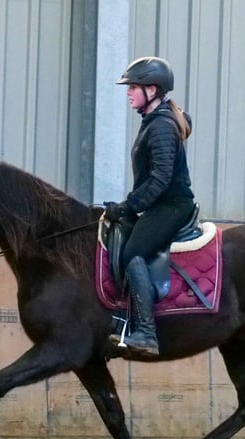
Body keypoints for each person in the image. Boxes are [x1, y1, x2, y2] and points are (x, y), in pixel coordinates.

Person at [105, 56, 196, 356]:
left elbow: (160, 179)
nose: (129, 92)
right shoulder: (154, 120)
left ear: (153, 90)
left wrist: (129, 207)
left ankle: (145, 333)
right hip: (160, 204)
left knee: (132, 252)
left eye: (134, 87)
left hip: (171, 206)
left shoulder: (160, 127)